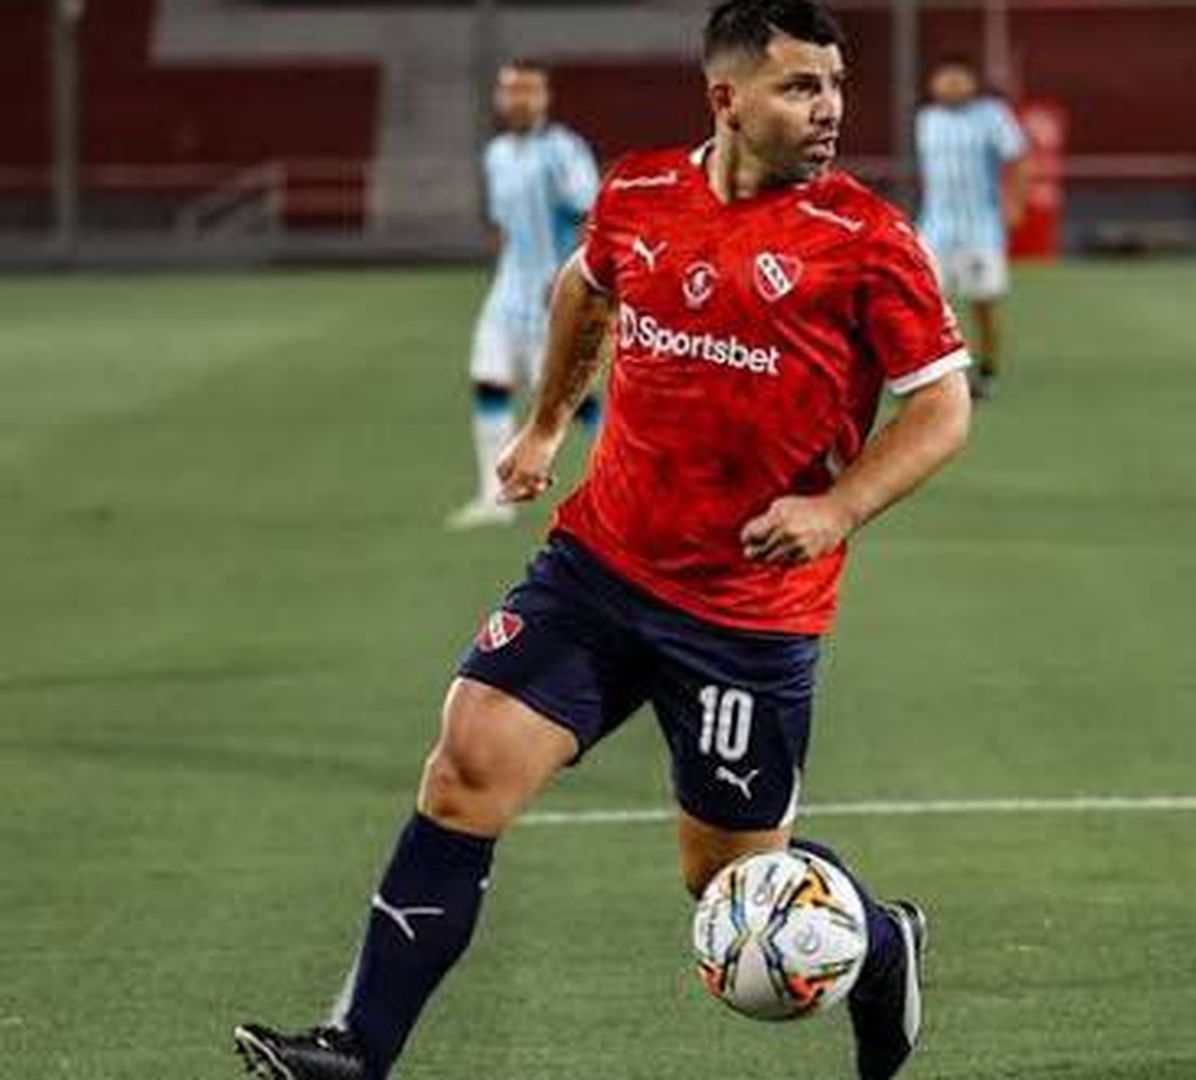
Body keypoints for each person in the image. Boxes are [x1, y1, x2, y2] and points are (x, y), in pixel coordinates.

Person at [233, 2, 972, 1078]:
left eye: (833, 86)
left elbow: (944, 407)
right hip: (598, 565)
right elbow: (583, 290)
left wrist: (836, 509)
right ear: (726, 98)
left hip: (742, 617)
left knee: (729, 884)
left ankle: (883, 938)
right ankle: (358, 1051)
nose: (830, 109)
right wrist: (541, 426)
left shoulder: (864, 240)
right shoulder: (638, 193)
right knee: (465, 768)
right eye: (800, 86)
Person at [447, 59, 602, 529]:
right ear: (499, 97)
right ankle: (495, 499)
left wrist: (569, 278)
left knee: (570, 398)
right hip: (506, 292)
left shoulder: (563, 150)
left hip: (551, 294)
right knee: (488, 383)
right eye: (511, 90)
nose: (519, 99)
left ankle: (622, 487)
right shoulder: (495, 153)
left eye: (529, 91)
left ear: (545, 97)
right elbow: (501, 224)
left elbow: (590, 214)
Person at [915, 55, 1029, 399]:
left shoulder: (992, 115)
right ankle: (929, 373)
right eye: (943, 77)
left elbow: (1018, 157)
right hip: (935, 228)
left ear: (972, 81)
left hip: (980, 228)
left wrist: (1016, 202)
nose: (950, 84)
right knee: (923, 303)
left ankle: (987, 370)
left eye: (957, 77)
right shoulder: (927, 118)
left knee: (983, 303)